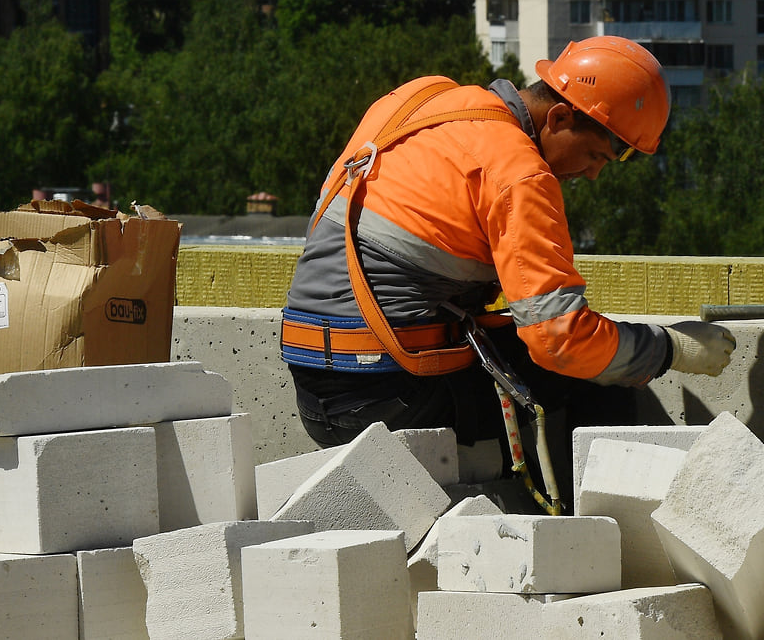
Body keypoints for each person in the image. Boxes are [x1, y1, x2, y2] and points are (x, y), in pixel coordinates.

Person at [280, 36, 736, 493]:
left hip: (312, 381)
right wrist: (669, 349)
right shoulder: (519, 174)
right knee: (602, 375)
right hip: (383, 396)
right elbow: (562, 340)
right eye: (600, 154)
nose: (595, 174)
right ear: (559, 118)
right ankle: (581, 532)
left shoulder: (422, 99)